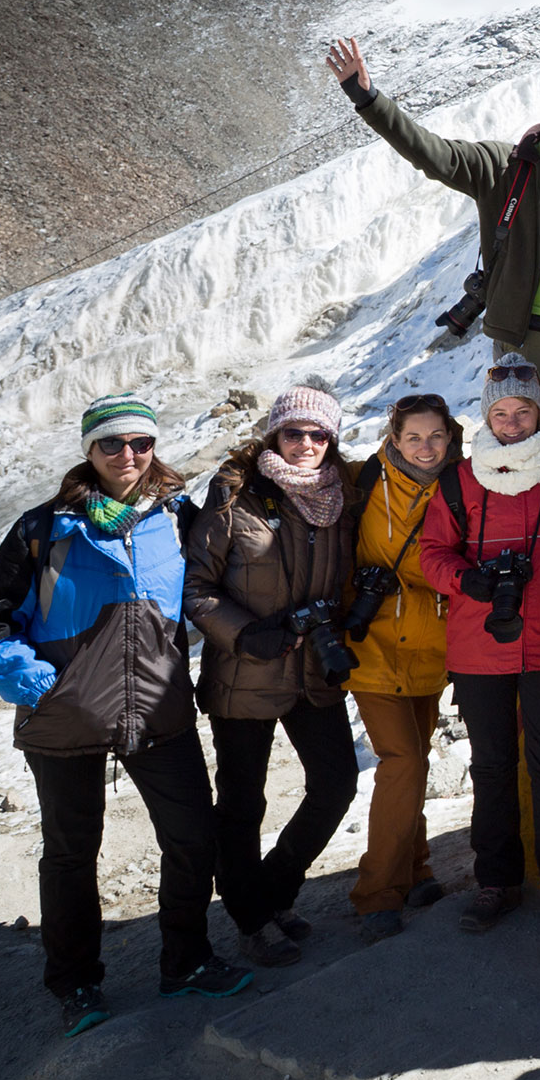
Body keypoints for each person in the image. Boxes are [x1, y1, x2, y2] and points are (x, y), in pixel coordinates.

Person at [0, 393, 251, 1037]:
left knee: (190, 836)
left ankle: (185, 959)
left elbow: (216, 585)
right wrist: (40, 684)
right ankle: (75, 982)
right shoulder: (44, 528)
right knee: (71, 852)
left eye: (141, 443)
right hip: (66, 714)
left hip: (157, 707)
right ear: (88, 451)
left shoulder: (180, 518)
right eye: (112, 444)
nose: (128, 456)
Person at [327, 37, 540, 436]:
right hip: (532, 343)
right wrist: (368, 99)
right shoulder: (504, 168)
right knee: (534, 454)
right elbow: (432, 153)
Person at [420, 354, 540, 937]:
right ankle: (494, 882)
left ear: (538, 412)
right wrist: (468, 580)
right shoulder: (459, 478)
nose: (511, 422)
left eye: (521, 410)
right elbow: (433, 554)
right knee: (493, 767)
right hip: (480, 647)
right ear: (487, 417)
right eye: (500, 412)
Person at [185, 384, 361, 969]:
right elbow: (196, 588)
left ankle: (274, 890)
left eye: (318, 434)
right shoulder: (235, 498)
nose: (306, 444)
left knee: (336, 785)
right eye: (293, 433)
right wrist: (242, 632)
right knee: (241, 804)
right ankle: (251, 920)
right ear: (274, 435)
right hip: (246, 672)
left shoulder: (342, 496)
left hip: (314, 668)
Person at [341, 393, 464, 943]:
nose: (425, 447)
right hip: (376, 645)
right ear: (394, 438)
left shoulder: (465, 482)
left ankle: (416, 869)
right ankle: (377, 893)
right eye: (413, 437)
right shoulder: (363, 482)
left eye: (435, 436)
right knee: (402, 760)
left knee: (414, 757)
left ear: (450, 435)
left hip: (433, 647)